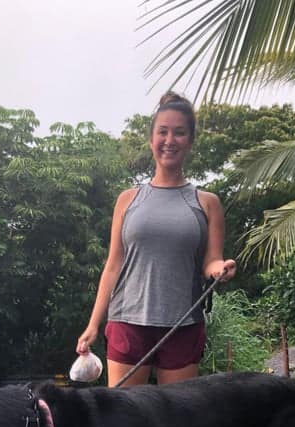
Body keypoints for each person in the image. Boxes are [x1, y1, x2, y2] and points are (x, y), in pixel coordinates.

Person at [76, 91, 237, 387]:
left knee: (177, 425)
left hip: (183, 325)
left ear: (190, 141)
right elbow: (113, 265)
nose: (170, 140)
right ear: (151, 140)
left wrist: (219, 270)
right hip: (127, 322)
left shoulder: (207, 203)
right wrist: (93, 325)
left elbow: (211, 260)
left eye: (179, 133)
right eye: (162, 132)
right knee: (125, 422)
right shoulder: (127, 200)